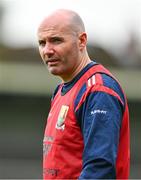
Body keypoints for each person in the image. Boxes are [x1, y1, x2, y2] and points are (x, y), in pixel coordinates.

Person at [37, 9, 130, 179]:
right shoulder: (60, 91)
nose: (47, 50)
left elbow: (99, 169)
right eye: (42, 43)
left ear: (81, 41)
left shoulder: (98, 90)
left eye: (56, 41)